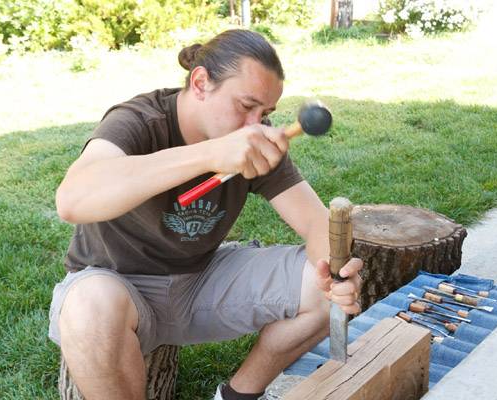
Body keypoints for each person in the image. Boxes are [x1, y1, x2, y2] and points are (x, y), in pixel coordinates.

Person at [49, 29, 363, 400]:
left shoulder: (255, 141)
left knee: (320, 290)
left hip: (199, 279)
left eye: (265, 113)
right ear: (200, 83)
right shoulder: (139, 119)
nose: (255, 124)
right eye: (245, 106)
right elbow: (72, 199)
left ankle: (236, 395)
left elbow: (314, 222)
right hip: (116, 285)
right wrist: (209, 154)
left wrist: (335, 274)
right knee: (88, 306)